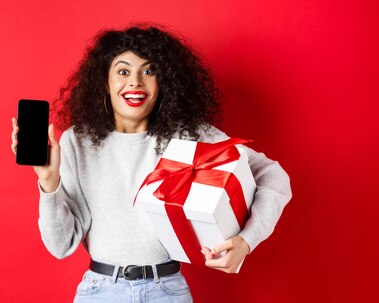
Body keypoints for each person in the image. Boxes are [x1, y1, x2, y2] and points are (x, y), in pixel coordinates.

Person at [10, 25, 292, 302]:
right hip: (100, 291)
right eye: (123, 71)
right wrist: (48, 182)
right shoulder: (77, 141)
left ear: (164, 83)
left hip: (167, 290)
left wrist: (246, 241)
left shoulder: (189, 136)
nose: (135, 81)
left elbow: (272, 175)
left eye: (149, 71)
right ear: (104, 83)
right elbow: (61, 246)